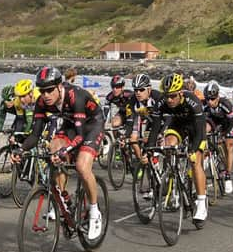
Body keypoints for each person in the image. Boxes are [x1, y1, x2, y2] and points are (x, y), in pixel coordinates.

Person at [11, 67, 104, 240]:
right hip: (70, 124)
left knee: (82, 167)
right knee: (53, 147)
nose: (45, 95)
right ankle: (63, 199)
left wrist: (65, 150)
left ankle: (94, 211)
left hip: (91, 125)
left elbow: (81, 136)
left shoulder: (74, 96)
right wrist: (21, 149)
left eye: (49, 90)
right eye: (42, 90)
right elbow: (35, 134)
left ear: (59, 86)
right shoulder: (41, 103)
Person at [148, 73, 208, 228]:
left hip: (196, 128)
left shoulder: (193, 101)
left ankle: (201, 203)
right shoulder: (161, 102)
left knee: (196, 162)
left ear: (180, 93)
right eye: (167, 96)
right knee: (168, 144)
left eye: (173, 96)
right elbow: (155, 128)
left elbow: (201, 131)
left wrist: (193, 151)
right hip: (178, 125)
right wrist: (148, 148)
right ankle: (174, 173)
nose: (169, 100)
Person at [202, 80, 233, 194]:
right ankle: (208, 152)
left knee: (228, 146)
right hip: (214, 122)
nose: (210, 102)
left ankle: (228, 175)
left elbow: (231, 122)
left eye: (212, 99)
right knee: (204, 129)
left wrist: (224, 134)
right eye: (207, 99)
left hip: (227, 123)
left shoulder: (225, 104)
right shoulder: (205, 105)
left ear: (217, 97)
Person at [124, 73, 163, 167]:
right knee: (133, 139)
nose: (138, 93)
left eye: (141, 90)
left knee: (160, 141)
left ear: (149, 89)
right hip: (148, 120)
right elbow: (130, 120)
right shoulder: (132, 100)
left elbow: (166, 118)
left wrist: (161, 133)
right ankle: (141, 161)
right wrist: (126, 136)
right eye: (136, 90)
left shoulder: (158, 97)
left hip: (161, 120)